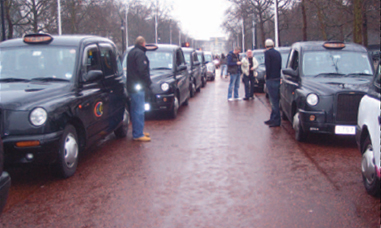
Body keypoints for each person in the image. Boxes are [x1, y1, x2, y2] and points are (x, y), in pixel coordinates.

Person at [126, 36, 152, 141]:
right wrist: (148, 82)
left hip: (131, 85)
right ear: (143, 43)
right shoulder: (140, 54)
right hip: (138, 86)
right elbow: (142, 70)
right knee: (139, 110)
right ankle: (138, 134)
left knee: (135, 109)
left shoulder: (131, 52)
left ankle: (138, 131)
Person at [264, 39, 282, 127]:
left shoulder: (267, 53)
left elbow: (268, 66)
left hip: (271, 79)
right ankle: (272, 118)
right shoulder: (277, 53)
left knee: (273, 100)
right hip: (277, 78)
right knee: (275, 100)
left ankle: (276, 120)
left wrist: (266, 77)